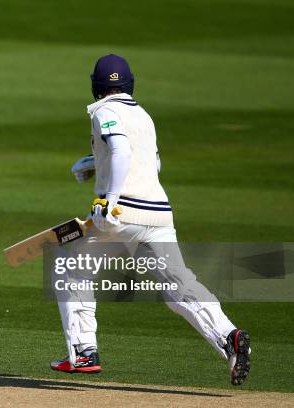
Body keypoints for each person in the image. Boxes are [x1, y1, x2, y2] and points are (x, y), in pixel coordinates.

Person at [50, 54, 251, 386]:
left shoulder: (103, 111)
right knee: (178, 287)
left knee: (69, 265)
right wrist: (92, 164)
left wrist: (108, 199)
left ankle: (84, 351)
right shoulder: (143, 116)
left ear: (96, 86)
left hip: (119, 214)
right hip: (157, 213)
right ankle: (229, 335)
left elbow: (120, 151)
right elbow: (148, 165)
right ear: (130, 83)